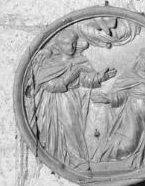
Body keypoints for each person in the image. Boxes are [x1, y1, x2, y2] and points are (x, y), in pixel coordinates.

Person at [26, 30, 115, 168]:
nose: (72, 46)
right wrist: (68, 78)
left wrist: (100, 77)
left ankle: (76, 158)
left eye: (74, 43)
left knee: (76, 127)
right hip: (56, 101)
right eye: (67, 44)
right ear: (59, 46)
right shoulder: (50, 64)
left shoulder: (80, 61)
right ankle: (72, 158)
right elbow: (48, 85)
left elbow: (86, 80)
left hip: (74, 98)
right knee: (68, 125)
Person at [90, 46, 145, 168]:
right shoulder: (129, 77)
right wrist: (108, 98)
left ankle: (141, 160)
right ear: (138, 58)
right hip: (132, 115)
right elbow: (122, 94)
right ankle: (109, 160)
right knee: (128, 144)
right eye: (143, 58)